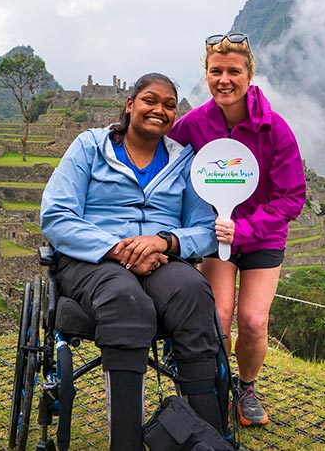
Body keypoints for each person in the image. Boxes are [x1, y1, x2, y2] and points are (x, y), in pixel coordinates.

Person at [41, 73, 226, 451]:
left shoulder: (183, 161)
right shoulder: (89, 148)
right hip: (93, 260)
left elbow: (206, 229)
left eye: (169, 105)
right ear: (130, 105)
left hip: (160, 259)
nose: (159, 110)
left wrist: (166, 240)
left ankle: (209, 439)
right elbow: (57, 216)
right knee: (127, 302)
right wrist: (119, 249)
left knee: (193, 291)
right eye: (149, 100)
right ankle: (123, 443)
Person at [169, 32, 306, 427]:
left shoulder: (274, 129)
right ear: (206, 75)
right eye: (216, 71)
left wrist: (244, 228)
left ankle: (246, 386)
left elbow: (291, 197)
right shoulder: (194, 124)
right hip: (214, 235)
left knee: (252, 321)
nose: (224, 79)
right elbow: (164, 159)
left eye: (233, 71)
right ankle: (216, 384)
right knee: (218, 314)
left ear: (249, 75)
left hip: (261, 237)